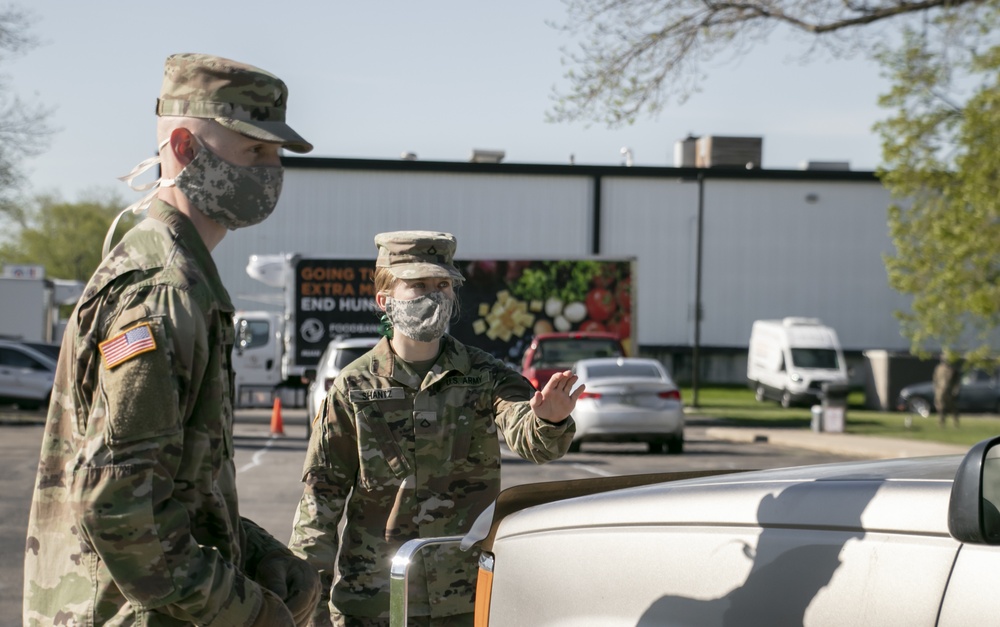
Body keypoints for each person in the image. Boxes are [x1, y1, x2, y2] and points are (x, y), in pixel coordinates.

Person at [23, 53, 321, 626]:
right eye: (254, 151)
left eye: (275, 155)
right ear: (185, 148)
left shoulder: (183, 277)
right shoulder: (163, 292)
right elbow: (118, 505)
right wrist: (248, 612)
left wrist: (259, 555)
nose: (270, 171)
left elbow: (177, 485)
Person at [289, 231, 582, 627]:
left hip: (465, 602)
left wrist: (550, 419)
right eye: (419, 285)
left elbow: (532, 440)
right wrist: (309, 608)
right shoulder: (354, 387)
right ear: (385, 300)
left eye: (443, 284)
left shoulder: (485, 375)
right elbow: (320, 504)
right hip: (376, 605)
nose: (434, 295)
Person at [933, 356, 962, 427]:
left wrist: (956, 390)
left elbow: (957, 381)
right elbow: (935, 379)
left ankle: (955, 421)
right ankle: (941, 422)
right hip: (940, 390)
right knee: (940, 406)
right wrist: (936, 388)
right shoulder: (939, 368)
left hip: (949, 391)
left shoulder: (952, 369)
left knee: (952, 406)